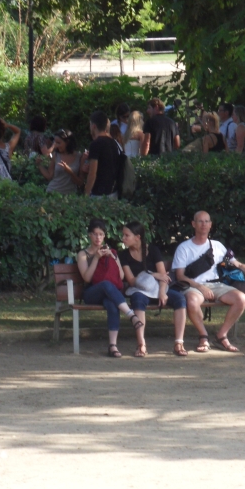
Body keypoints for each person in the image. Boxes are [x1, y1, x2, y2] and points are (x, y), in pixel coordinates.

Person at [172, 211, 245, 353]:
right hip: (193, 285)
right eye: (200, 221)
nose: (204, 224)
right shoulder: (184, 248)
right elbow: (180, 276)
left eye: (207, 221)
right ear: (193, 224)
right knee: (192, 301)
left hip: (216, 285)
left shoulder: (217, 246)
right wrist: (200, 287)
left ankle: (221, 336)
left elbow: (238, 264)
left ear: (210, 225)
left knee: (241, 299)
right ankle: (203, 336)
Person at [77, 218, 144, 358]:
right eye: (95, 234)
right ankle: (131, 315)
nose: (98, 237)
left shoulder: (111, 251)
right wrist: (96, 258)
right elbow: (87, 278)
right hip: (91, 293)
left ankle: (112, 346)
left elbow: (121, 276)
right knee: (106, 284)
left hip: (109, 294)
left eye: (101, 234)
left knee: (112, 304)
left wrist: (113, 258)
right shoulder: (83, 254)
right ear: (90, 235)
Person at [119, 221, 188, 357]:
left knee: (180, 299)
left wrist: (162, 292)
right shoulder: (124, 255)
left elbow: (163, 277)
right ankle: (141, 344)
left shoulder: (153, 250)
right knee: (138, 300)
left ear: (137, 237)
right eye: (123, 235)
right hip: (139, 289)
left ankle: (179, 343)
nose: (123, 238)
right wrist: (152, 274)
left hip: (158, 288)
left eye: (127, 235)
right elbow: (131, 281)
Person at [84, 110, 121, 198]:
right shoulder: (114, 142)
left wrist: (86, 193)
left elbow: (92, 173)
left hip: (99, 192)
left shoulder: (95, 144)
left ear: (93, 126)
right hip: (113, 191)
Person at [39, 129, 87, 194]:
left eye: (58, 143)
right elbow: (49, 176)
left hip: (69, 196)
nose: (56, 146)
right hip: (52, 192)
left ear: (67, 142)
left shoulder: (79, 157)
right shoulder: (56, 155)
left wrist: (69, 171)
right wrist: (39, 164)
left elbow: (80, 182)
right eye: (55, 143)